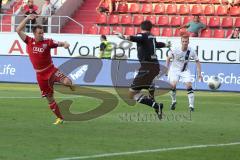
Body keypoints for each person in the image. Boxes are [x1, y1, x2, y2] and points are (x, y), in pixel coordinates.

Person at [16, 14, 74, 125]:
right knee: (50, 98)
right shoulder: (29, 41)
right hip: (40, 76)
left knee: (67, 82)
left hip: (51, 70)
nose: (42, 35)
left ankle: (71, 86)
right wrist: (28, 18)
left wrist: (66, 44)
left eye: (43, 32)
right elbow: (18, 30)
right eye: (39, 33)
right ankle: (60, 118)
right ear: (34, 33)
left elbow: (60, 43)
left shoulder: (47, 43)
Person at [115, 20, 171, 119]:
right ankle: (150, 87)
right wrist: (166, 45)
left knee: (131, 94)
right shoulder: (152, 37)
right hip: (155, 66)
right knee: (144, 84)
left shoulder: (142, 36)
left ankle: (156, 105)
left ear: (141, 28)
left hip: (147, 67)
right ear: (151, 28)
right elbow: (157, 44)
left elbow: (134, 38)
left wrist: (123, 36)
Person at [165, 32, 202, 112]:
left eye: (186, 41)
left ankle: (191, 106)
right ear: (181, 42)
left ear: (188, 42)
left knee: (189, 85)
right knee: (173, 86)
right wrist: (166, 69)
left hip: (184, 71)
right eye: (183, 41)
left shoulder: (191, 50)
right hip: (174, 70)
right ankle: (173, 101)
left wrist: (199, 74)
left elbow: (197, 61)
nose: (185, 43)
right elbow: (168, 58)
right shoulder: (175, 49)